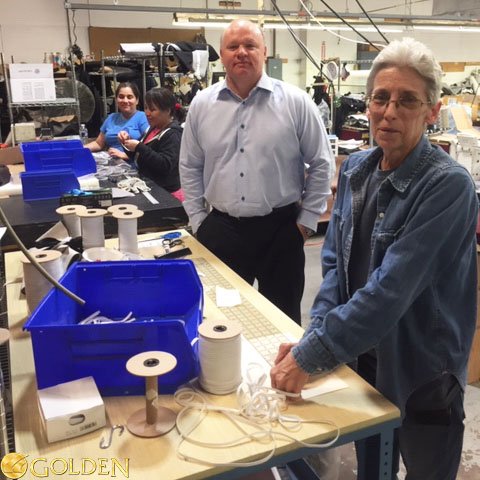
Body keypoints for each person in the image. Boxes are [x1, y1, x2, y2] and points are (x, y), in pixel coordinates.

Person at [270, 37, 478, 480]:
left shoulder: (448, 187)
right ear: (367, 104)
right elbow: (333, 270)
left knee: (427, 470)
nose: (389, 112)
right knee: (373, 468)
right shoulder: (358, 170)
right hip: (365, 360)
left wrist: (310, 357)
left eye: (407, 101)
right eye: (381, 98)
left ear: (431, 111)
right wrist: (317, 337)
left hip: (423, 369)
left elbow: (391, 289)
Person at [179, 19, 334, 324]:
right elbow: (189, 165)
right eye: (233, 46)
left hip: (282, 231)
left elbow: (321, 163)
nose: (241, 52)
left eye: (250, 45)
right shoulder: (201, 105)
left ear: (264, 52)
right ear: (221, 55)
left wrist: (306, 223)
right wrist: (199, 221)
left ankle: (279, 373)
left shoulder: (296, 103)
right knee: (221, 321)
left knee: (283, 322)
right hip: (221, 230)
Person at [118, 87, 185, 201]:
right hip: (152, 188)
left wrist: (139, 146)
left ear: (167, 111)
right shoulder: (152, 128)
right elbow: (139, 156)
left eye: (153, 109)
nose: (147, 113)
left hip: (167, 194)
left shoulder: (173, 134)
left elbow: (165, 165)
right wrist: (126, 144)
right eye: (146, 108)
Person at [85, 82, 149, 161]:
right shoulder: (111, 118)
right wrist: (80, 149)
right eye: (121, 97)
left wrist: (125, 155)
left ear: (137, 100)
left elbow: (149, 149)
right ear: (116, 100)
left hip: (132, 165)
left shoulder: (143, 117)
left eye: (129, 97)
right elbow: (98, 143)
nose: (125, 101)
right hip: (111, 163)